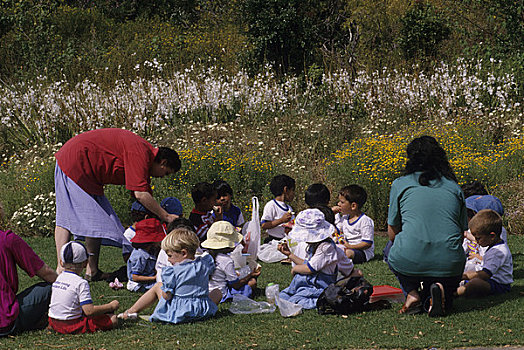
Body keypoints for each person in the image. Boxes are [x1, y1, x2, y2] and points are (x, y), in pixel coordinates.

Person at [54, 128, 181, 280]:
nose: (162, 177)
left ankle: (92, 271)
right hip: (75, 163)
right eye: (165, 173)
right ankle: (62, 270)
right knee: (66, 218)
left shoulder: (144, 157)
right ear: (163, 162)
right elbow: (140, 195)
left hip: (90, 174)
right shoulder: (140, 152)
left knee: (95, 220)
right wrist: (166, 216)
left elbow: (142, 193)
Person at [387, 135, 467, 317]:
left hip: (409, 257)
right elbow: (461, 231)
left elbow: (392, 233)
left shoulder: (400, 184)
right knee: (444, 261)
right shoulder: (454, 187)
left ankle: (412, 293)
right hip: (449, 261)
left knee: (389, 250)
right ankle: (440, 287)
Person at [119, 228, 220, 324]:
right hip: (201, 311)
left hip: (179, 313)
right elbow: (209, 259)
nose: (168, 260)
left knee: (158, 286)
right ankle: (202, 309)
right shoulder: (204, 264)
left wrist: (166, 289)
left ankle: (131, 311)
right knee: (217, 292)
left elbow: (166, 296)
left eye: (170, 255)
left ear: (184, 253)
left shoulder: (171, 272)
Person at [277, 209, 361, 309]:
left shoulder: (326, 248)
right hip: (308, 284)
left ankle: (322, 301)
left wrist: (295, 269)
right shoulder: (315, 245)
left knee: (296, 301)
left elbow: (310, 268)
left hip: (318, 287)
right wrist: (290, 255)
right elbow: (308, 263)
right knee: (282, 296)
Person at [0, 202, 58, 337]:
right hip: (6, 320)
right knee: (49, 288)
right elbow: (45, 272)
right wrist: (69, 284)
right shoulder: (8, 240)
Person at [48, 241, 119, 334]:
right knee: (113, 319)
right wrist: (110, 306)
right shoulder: (81, 283)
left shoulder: (59, 277)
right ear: (85, 263)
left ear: (61, 262)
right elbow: (89, 311)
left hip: (52, 322)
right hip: (70, 325)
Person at [456, 209, 513, 298]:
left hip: (499, 285)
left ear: (492, 236)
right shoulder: (493, 246)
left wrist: (464, 276)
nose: (476, 241)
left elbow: (484, 274)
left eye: (478, 238)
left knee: (475, 283)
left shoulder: (498, 252)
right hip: (489, 280)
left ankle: (454, 294)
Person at [202, 221, 261, 302]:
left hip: (206, 292)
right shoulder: (226, 260)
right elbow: (235, 285)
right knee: (252, 282)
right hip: (221, 294)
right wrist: (251, 275)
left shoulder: (204, 255)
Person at [463, 194, 507, 272]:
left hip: (484, 269)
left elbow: (493, 258)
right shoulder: (472, 229)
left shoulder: (497, 235)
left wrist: (478, 257)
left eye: (473, 213)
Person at [333, 185, 375, 263]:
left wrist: (351, 246)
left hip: (362, 251)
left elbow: (367, 243)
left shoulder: (365, 221)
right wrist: (332, 214)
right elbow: (337, 231)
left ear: (353, 206)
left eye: (342, 202)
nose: (338, 204)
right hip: (346, 246)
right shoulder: (345, 218)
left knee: (348, 253)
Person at [126, 218, 166, 292]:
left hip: (149, 279)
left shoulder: (151, 251)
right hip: (139, 284)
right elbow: (134, 277)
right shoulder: (140, 256)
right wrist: (154, 278)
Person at [261, 174, 295, 243]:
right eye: (292, 190)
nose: (293, 194)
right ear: (286, 190)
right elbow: (264, 225)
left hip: (286, 241)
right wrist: (281, 220)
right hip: (273, 241)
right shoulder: (271, 205)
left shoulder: (289, 208)